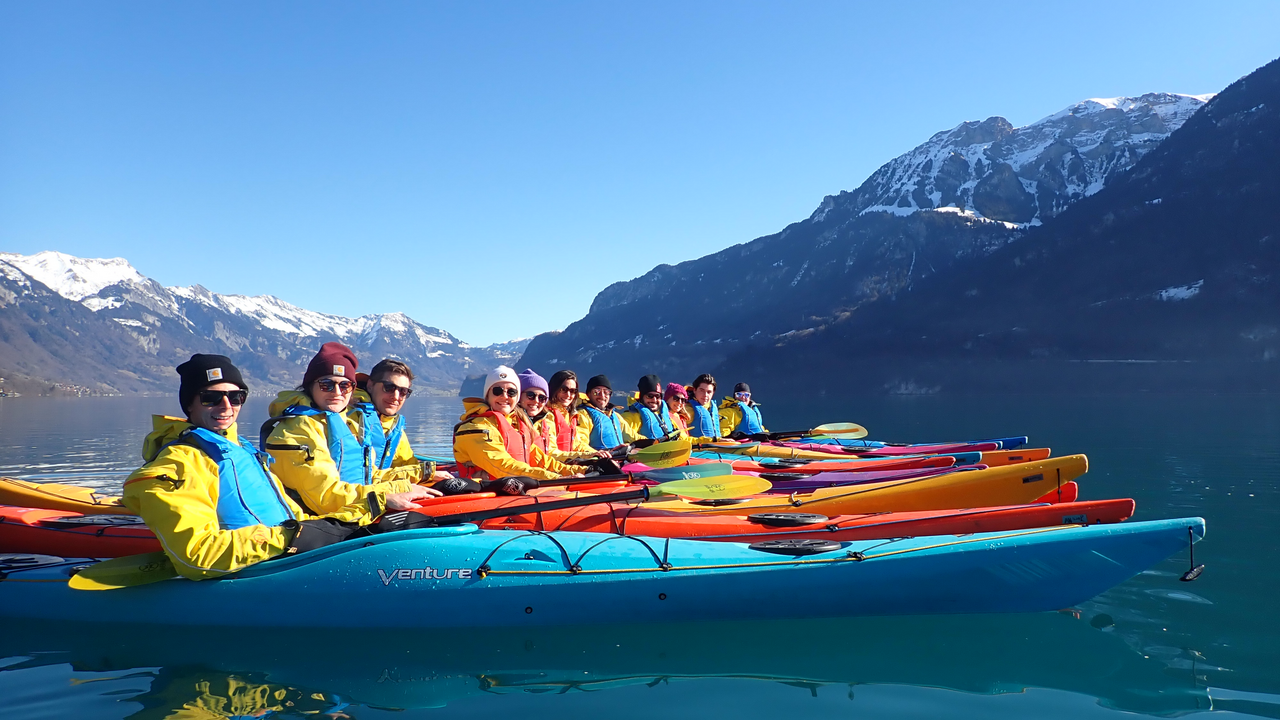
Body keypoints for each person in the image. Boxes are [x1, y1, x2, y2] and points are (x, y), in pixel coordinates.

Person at [122, 354, 386, 581]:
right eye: (211, 397)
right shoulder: (178, 462)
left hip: (285, 559)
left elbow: (295, 519)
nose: (226, 406)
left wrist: (369, 509)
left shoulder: (242, 449)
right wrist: (288, 537)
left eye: (236, 396)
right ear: (189, 403)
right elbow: (197, 555)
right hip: (253, 573)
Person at [263, 342, 437, 516]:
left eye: (345, 385)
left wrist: (412, 481)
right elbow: (326, 498)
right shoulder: (295, 431)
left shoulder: (348, 424)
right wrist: (387, 496)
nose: (337, 392)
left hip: (354, 511)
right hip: (319, 524)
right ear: (310, 386)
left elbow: (368, 476)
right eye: (327, 384)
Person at [452, 365, 585, 491]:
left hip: (515, 491)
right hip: (484, 495)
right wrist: (557, 479)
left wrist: (581, 470)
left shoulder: (517, 425)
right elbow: (502, 466)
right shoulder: (475, 428)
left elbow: (541, 460)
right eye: (497, 391)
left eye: (511, 392)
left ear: (517, 397)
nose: (505, 396)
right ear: (487, 394)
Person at [349, 358, 453, 485]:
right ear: (370, 386)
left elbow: (409, 465)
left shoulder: (394, 428)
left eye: (403, 391)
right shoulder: (350, 421)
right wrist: (424, 472)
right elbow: (364, 477)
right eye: (389, 387)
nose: (396, 397)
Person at [515, 368, 607, 463]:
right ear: (554, 389)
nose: (568, 395)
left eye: (572, 391)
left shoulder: (570, 415)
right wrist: (586, 456)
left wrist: (597, 454)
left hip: (566, 465)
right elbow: (551, 452)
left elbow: (577, 445)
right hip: (559, 467)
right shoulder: (547, 416)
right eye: (563, 389)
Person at [575, 374, 639, 450]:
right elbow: (580, 442)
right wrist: (596, 454)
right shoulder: (583, 415)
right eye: (597, 392)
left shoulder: (616, 416)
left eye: (606, 392)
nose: (602, 396)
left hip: (619, 457)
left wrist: (652, 442)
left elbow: (632, 436)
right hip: (598, 459)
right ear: (588, 394)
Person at [619, 374, 679, 441]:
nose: (654, 400)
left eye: (657, 396)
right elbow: (624, 436)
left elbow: (682, 437)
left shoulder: (663, 416)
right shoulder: (632, 416)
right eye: (650, 396)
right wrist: (649, 442)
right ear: (642, 398)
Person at [684, 373, 722, 440]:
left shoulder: (712, 407)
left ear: (713, 393)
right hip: (698, 448)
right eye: (702, 390)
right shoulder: (686, 409)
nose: (705, 395)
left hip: (716, 447)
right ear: (694, 390)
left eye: (709, 392)